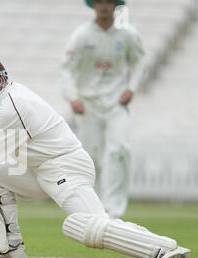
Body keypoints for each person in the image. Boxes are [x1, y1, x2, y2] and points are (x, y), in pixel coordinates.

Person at [0, 56, 190, 258]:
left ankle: (162, 247)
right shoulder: (2, 95)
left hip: (66, 167)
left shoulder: (10, 108)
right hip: (36, 170)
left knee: (84, 225)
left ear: (1, 80)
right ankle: (8, 249)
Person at [60, 0, 145, 218]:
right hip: (88, 105)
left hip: (117, 103)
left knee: (119, 150)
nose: (104, 6)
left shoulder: (128, 34)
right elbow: (67, 68)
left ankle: (113, 211)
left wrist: (131, 88)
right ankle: (94, 209)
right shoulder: (82, 35)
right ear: (93, 6)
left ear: (116, 5)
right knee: (91, 155)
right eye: (100, 2)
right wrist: (73, 97)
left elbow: (139, 62)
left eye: (109, 1)